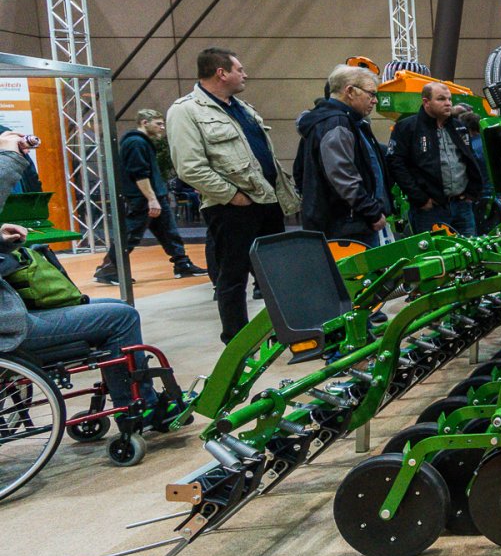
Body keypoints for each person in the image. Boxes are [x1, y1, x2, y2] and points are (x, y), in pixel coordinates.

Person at [0, 133, 149, 407]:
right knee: (122, 317)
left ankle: (134, 400)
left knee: (115, 306)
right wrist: (9, 156)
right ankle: (137, 407)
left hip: (11, 312)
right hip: (8, 328)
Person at [167, 47, 299, 343]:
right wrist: (232, 195)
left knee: (275, 273)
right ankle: (237, 339)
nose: (245, 75)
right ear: (221, 73)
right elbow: (189, 167)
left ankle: (285, 331)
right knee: (233, 276)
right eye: (240, 69)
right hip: (231, 208)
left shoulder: (242, 108)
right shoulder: (186, 111)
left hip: (266, 202)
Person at [93, 109, 204, 285]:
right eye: (158, 124)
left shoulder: (139, 142)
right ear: (145, 123)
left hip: (153, 196)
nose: (162, 128)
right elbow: (140, 174)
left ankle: (182, 264)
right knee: (131, 235)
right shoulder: (136, 143)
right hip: (143, 198)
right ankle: (109, 269)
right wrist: (151, 199)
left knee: (169, 232)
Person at [294, 65, 392, 247]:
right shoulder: (337, 123)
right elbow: (343, 177)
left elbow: (299, 172)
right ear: (350, 91)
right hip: (347, 227)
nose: (375, 100)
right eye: (371, 94)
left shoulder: (333, 122)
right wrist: (371, 212)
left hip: (341, 222)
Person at [389, 82, 484, 237]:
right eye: (441, 99)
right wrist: (420, 199)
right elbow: (396, 165)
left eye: (449, 99)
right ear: (426, 102)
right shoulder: (407, 127)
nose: (448, 103)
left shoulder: (459, 127)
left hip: (462, 206)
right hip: (430, 209)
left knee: (470, 248)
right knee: (435, 251)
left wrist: (471, 192)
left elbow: (470, 159)